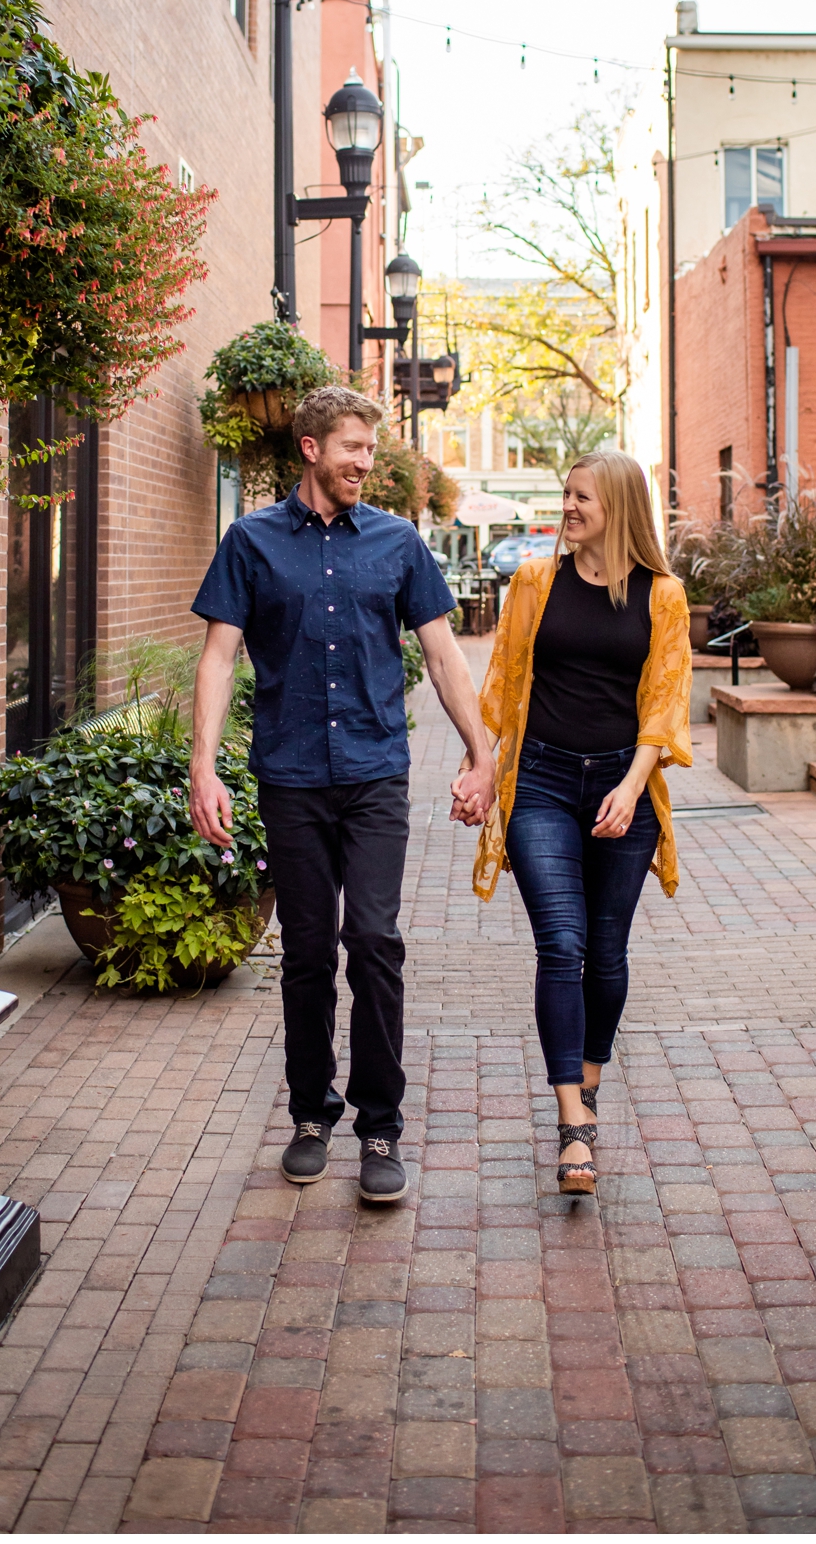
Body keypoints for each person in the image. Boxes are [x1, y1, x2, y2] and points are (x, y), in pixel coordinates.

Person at [189, 385, 495, 1202]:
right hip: (289, 776)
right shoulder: (251, 542)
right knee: (307, 954)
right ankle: (310, 1114)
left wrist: (482, 753)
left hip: (372, 774)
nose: (368, 461)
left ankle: (381, 1126)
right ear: (312, 449)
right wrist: (203, 766)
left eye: (372, 447)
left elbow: (442, 655)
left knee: (376, 942)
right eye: (355, 447)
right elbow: (219, 658)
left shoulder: (398, 542)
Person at [470, 449, 692, 1196]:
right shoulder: (535, 583)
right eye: (566, 495)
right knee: (560, 943)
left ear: (619, 508)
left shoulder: (663, 597)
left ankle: (588, 1079)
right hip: (542, 781)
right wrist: (477, 768)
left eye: (581, 498)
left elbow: (666, 704)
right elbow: (501, 685)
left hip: (623, 788)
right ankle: (574, 1126)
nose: (567, 508)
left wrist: (632, 787)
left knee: (606, 950)